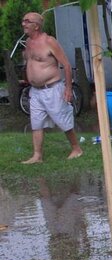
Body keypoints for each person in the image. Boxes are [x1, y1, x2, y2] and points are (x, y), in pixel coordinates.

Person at [20, 12, 83, 164]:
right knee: (36, 122)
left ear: (36, 25)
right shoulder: (28, 42)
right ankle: (37, 155)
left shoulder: (49, 41)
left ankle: (76, 148)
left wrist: (68, 89)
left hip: (53, 89)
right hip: (35, 91)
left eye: (27, 21)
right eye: (23, 21)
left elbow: (66, 65)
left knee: (63, 121)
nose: (23, 24)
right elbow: (30, 63)